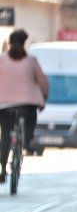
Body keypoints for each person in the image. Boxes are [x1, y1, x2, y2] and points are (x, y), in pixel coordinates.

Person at [0, 29, 49, 183]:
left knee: (5, 136)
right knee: (30, 117)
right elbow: (43, 82)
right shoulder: (31, 61)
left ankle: (2, 170)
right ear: (24, 43)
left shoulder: (1, 59)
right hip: (28, 104)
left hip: (4, 105)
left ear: (9, 43)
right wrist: (44, 96)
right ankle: (27, 141)